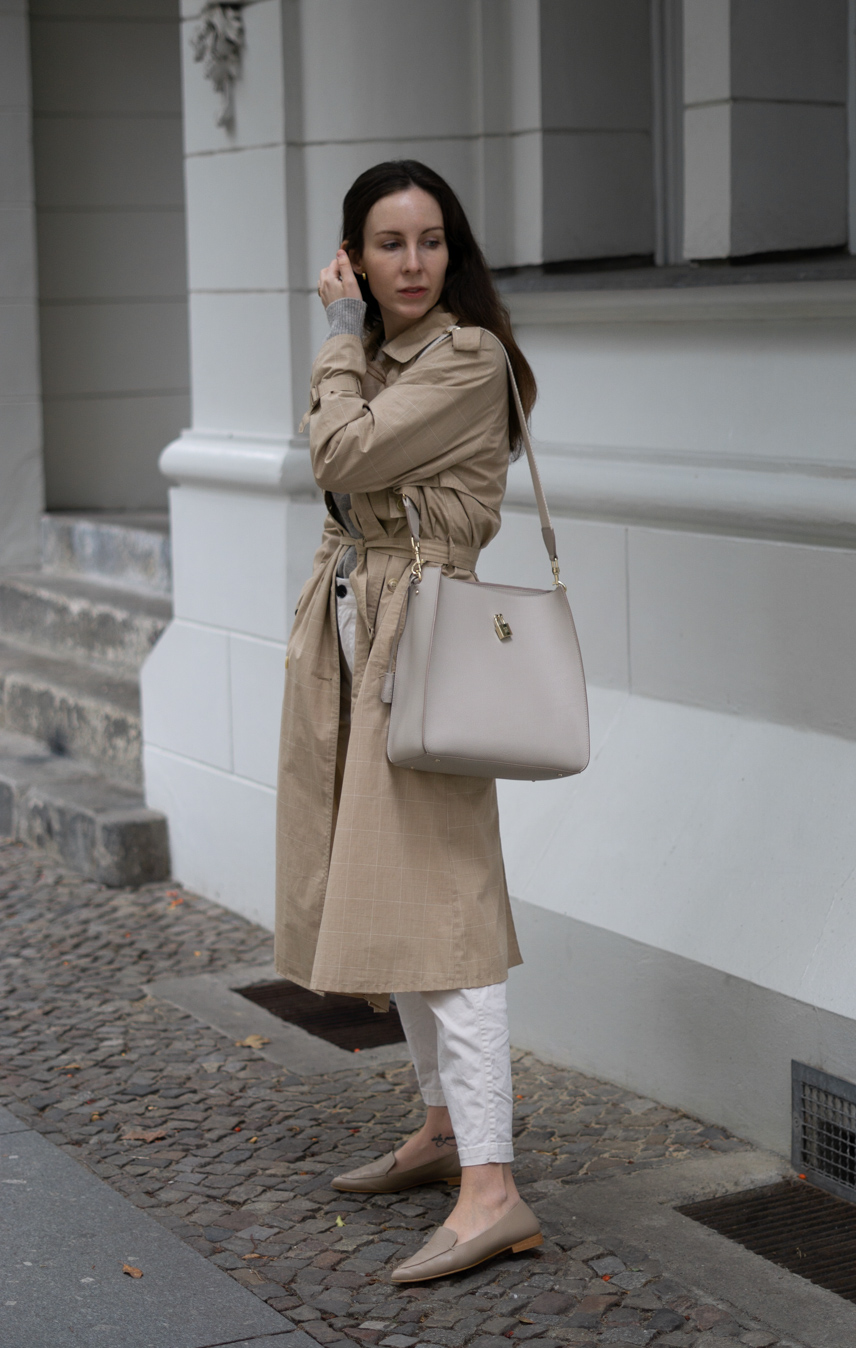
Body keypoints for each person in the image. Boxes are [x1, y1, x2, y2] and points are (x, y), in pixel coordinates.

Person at [275, 160, 542, 1283]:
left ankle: (494, 1187)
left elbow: (336, 456)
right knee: (392, 904)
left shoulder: (467, 359)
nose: (415, 264)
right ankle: (442, 1132)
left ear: (456, 250)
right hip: (354, 639)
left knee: (449, 913)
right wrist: (360, 419)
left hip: (423, 647)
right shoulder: (385, 364)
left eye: (432, 240)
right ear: (357, 252)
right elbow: (348, 470)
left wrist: (337, 344)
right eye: (389, 244)